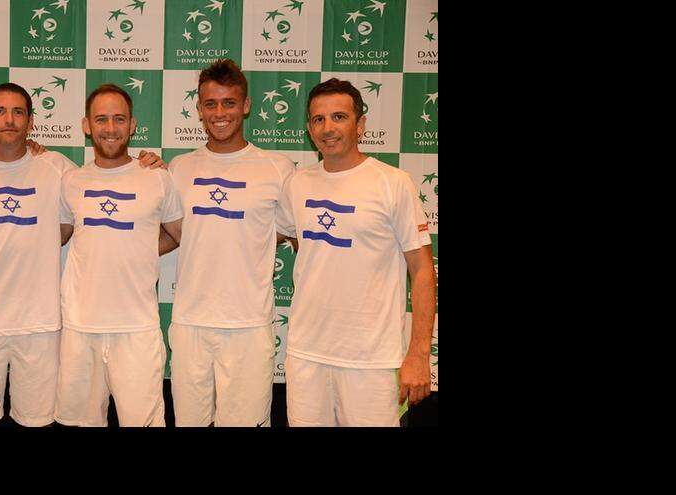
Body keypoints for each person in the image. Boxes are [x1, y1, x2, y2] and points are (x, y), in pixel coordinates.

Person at [0, 83, 164, 428]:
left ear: (31, 122)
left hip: (41, 324)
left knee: (38, 422)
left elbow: (93, 211)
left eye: (18, 112)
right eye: (0, 112)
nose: (9, 120)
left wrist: (147, 164)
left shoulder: (60, 169)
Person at [279, 79, 436, 427]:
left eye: (339, 117)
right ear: (309, 129)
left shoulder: (393, 183)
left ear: (360, 124)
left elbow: (423, 269)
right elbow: (287, 238)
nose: (328, 128)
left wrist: (419, 353)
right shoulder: (297, 184)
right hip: (306, 356)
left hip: (372, 362)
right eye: (318, 119)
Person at [160, 58, 296, 427]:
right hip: (190, 323)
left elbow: (294, 232)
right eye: (211, 104)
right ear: (199, 108)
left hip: (249, 325)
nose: (219, 113)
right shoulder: (178, 168)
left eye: (229, 103)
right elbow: (165, 235)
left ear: (246, 105)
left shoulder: (278, 168)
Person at [54, 84, 180, 427]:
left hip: (137, 328)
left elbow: (179, 234)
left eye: (119, 119)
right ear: (86, 125)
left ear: (133, 125)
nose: (110, 128)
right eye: (101, 119)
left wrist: (139, 247)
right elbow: (53, 238)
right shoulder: (70, 180)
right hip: (81, 327)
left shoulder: (157, 178)